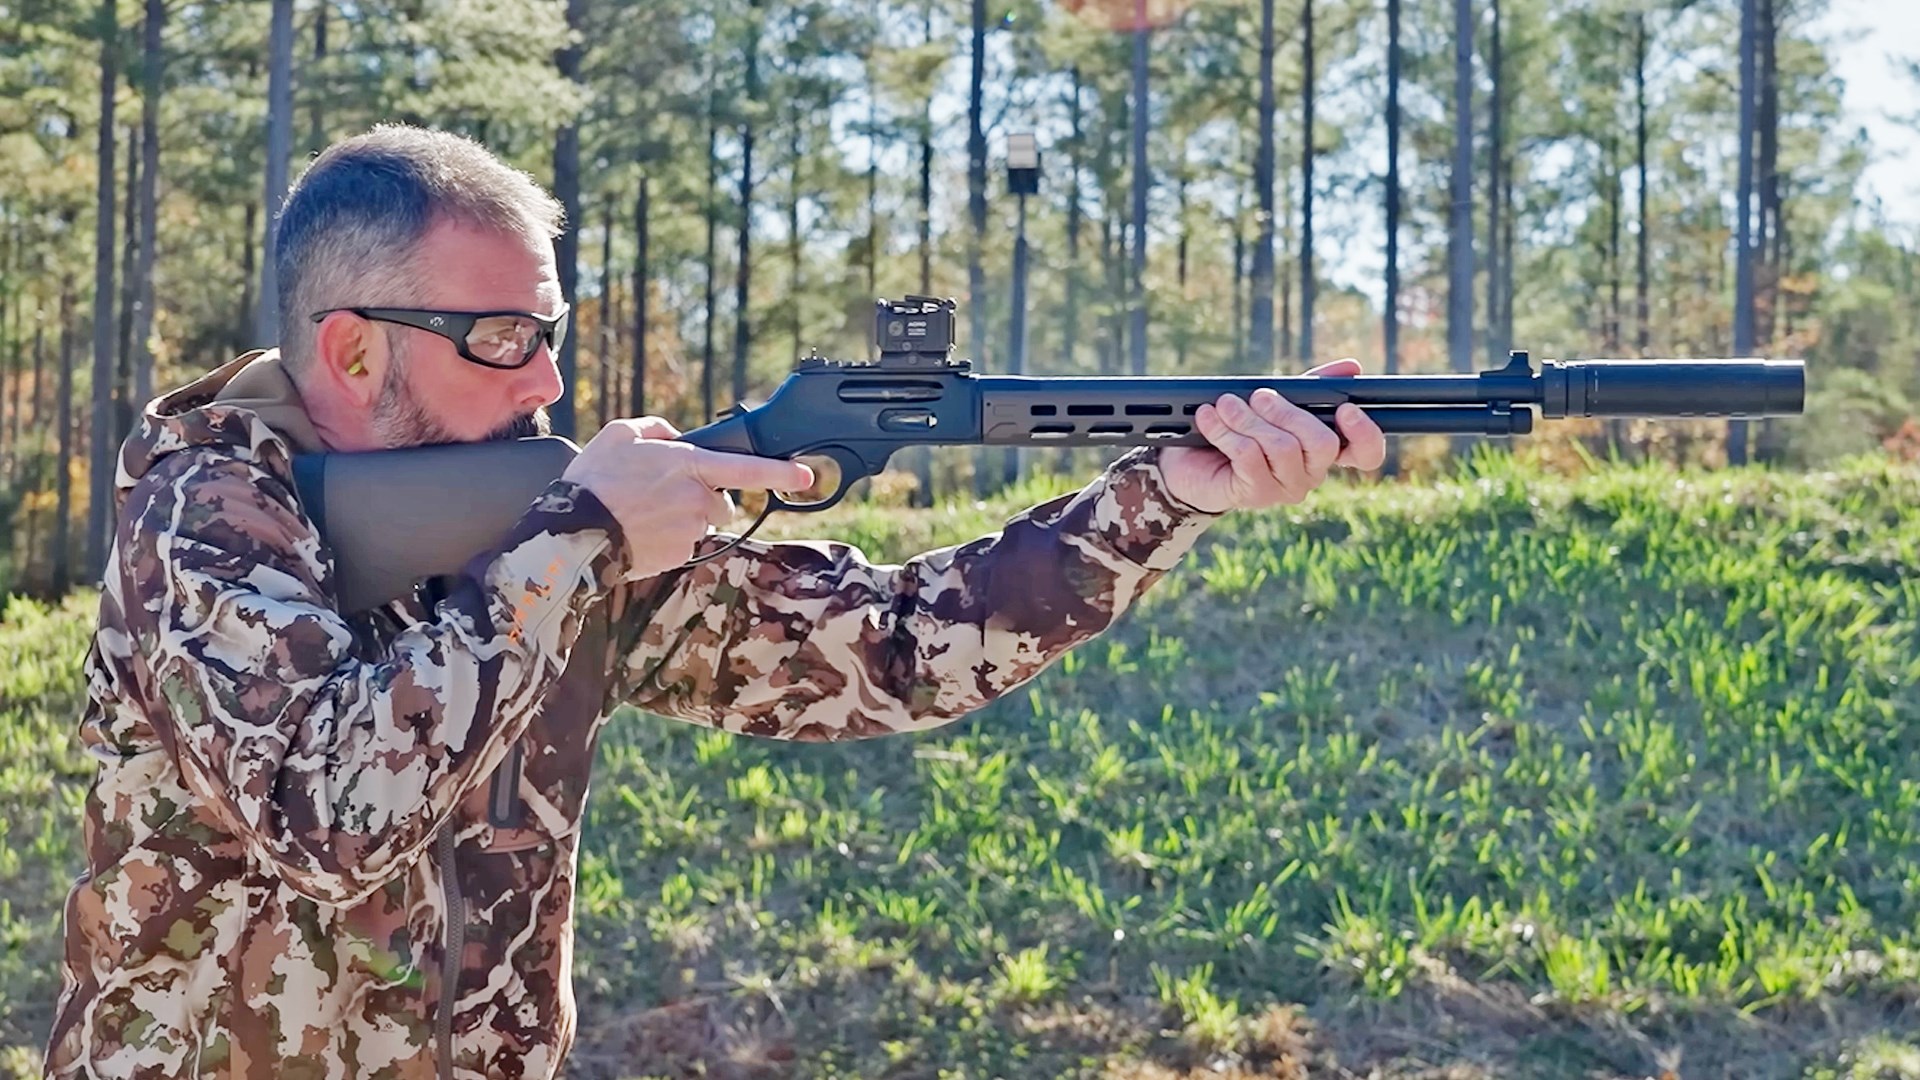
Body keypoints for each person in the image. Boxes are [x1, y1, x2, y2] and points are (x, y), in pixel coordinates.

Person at [45, 124, 1385, 1080]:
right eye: (504, 340)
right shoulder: (202, 514)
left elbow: (895, 651)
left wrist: (1166, 495)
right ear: (349, 351)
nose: (547, 386)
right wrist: (582, 536)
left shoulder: (535, 527)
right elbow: (323, 814)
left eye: (552, 336)